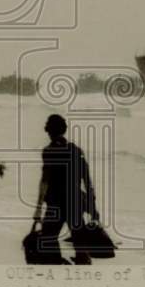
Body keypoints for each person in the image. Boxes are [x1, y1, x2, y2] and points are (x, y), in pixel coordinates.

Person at [32, 113, 98, 265]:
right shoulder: (76, 150)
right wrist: (92, 205)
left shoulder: (48, 151)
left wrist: (38, 208)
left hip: (55, 202)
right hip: (75, 201)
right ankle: (84, 270)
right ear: (64, 130)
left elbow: (45, 181)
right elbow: (87, 179)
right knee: (79, 241)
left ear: (48, 131)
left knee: (48, 238)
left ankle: (57, 265)